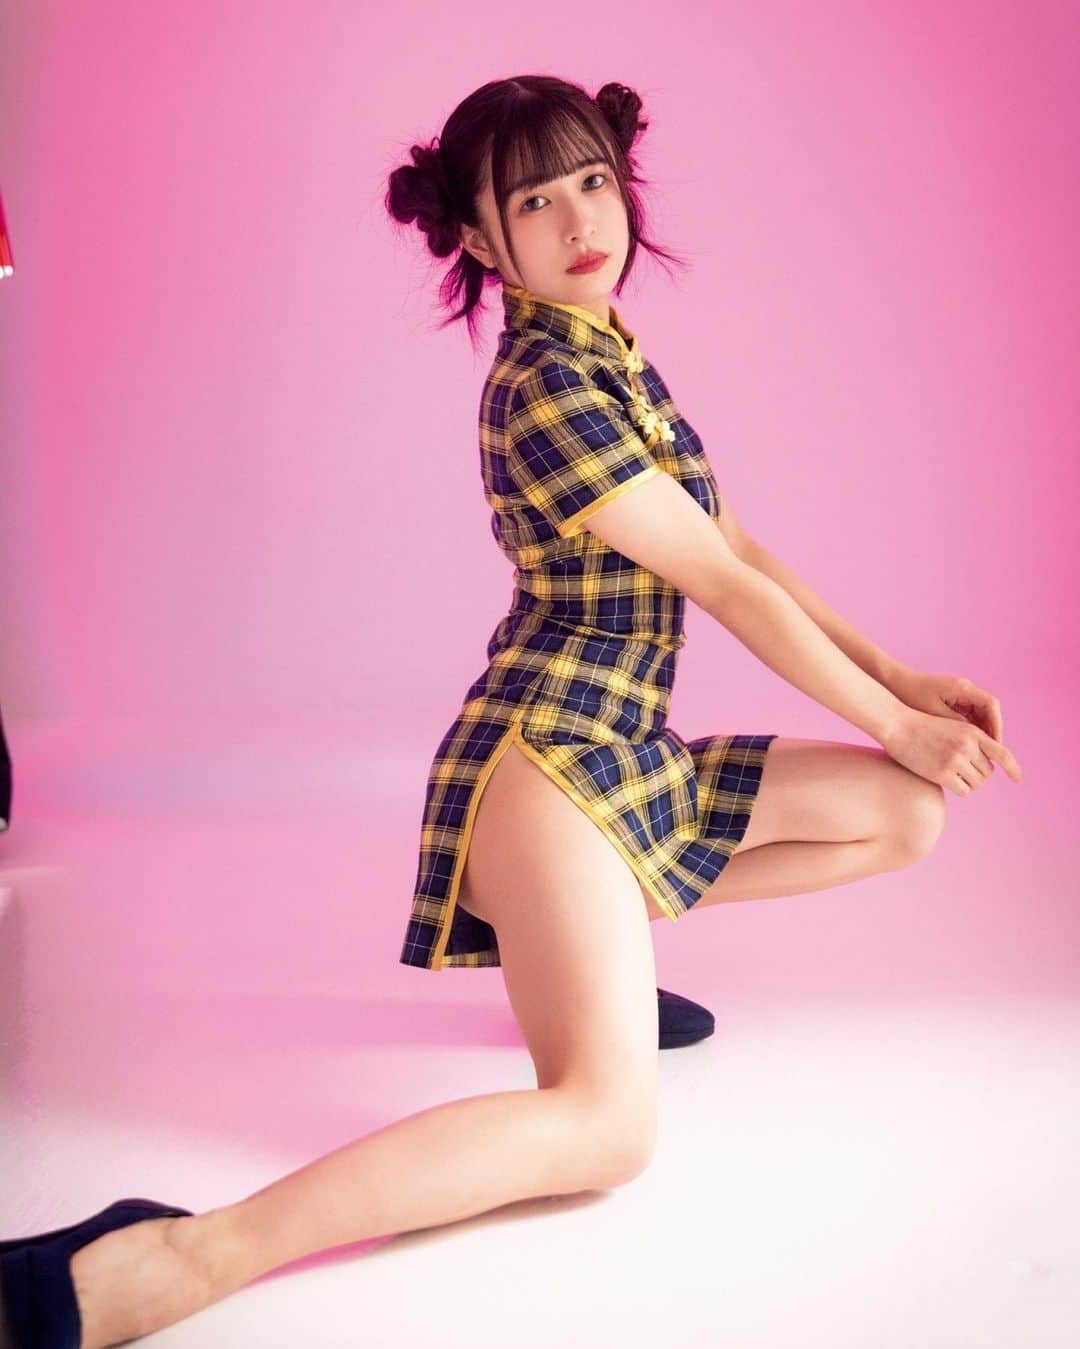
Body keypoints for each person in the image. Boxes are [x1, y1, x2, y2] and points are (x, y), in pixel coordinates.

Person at [0, 73, 1022, 1349]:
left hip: (623, 752)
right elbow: (720, 586)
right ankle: (173, 1255)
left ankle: (597, 944)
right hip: (551, 764)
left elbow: (736, 544)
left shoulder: (608, 349)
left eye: (593, 180)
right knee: (606, 1129)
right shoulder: (547, 387)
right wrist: (899, 714)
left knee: (902, 812)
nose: (582, 219)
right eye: (535, 201)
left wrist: (901, 680)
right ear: (483, 240)